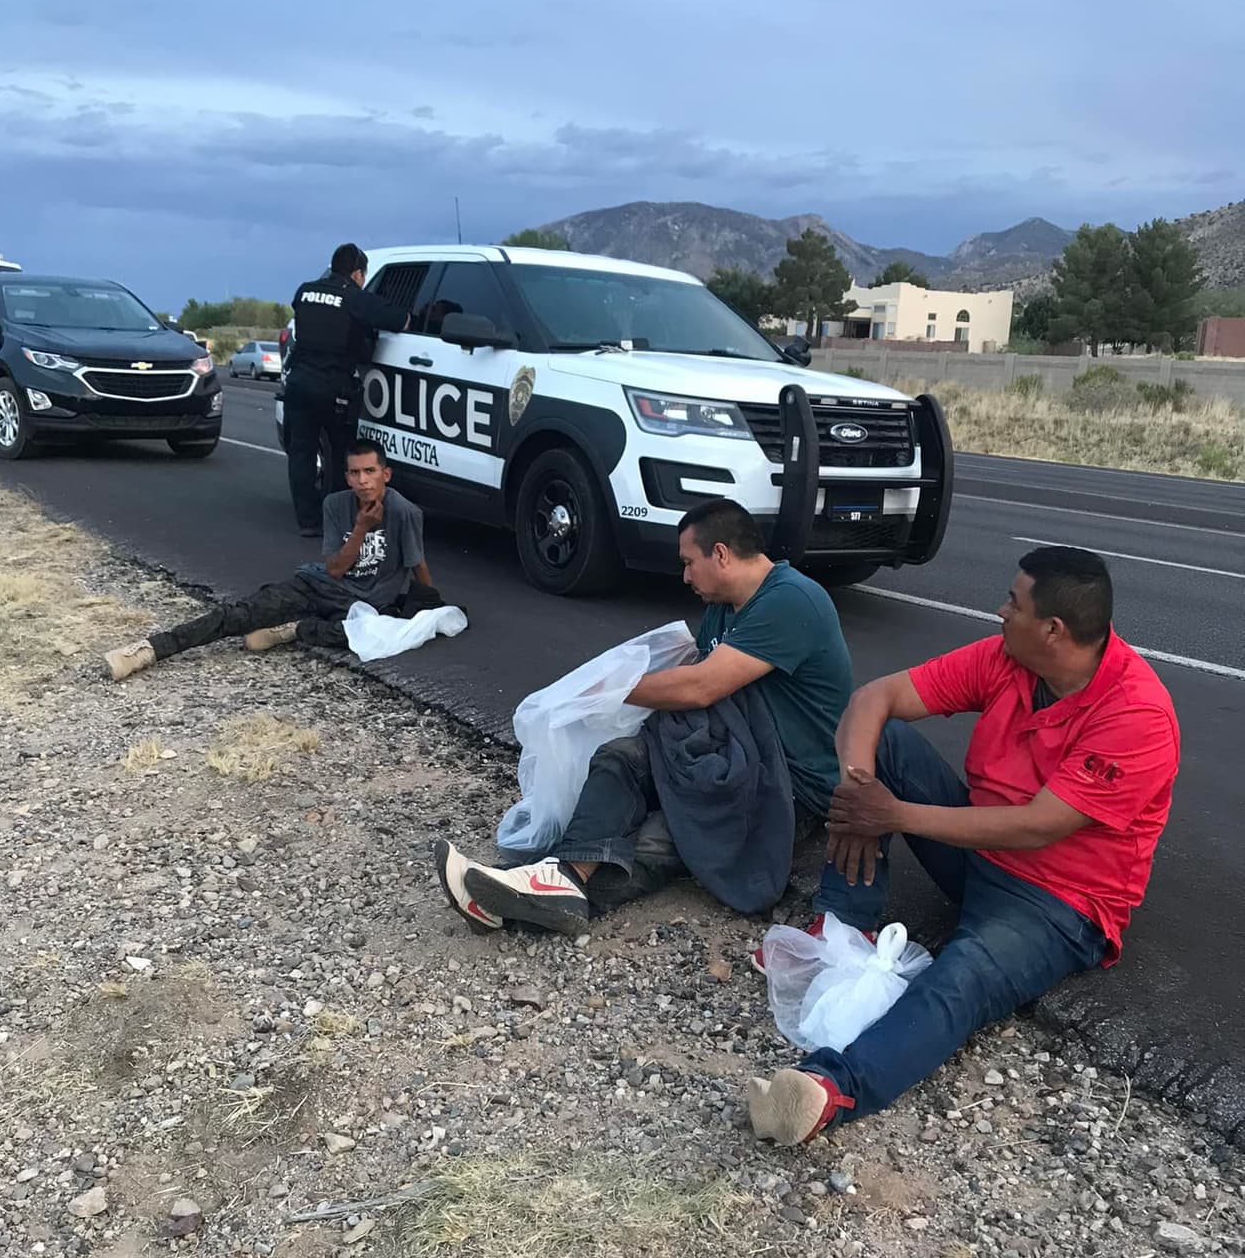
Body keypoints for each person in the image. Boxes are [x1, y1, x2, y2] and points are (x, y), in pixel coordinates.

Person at [746, 546, 1180, 1147]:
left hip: (1057, 904)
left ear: (1053, 630)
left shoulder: (1137, 714)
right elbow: (877, 698)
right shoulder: (1013, 660)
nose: (1000, 611)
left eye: (1014, 603)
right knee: (883, 747)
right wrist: (856, 796)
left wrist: (893, 814)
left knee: (962, 977)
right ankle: (842, 925)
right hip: (980, 854)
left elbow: (1039, 825)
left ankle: (827, 1090)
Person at [435, 498, 853, 936]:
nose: (685, 576)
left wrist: (607, 690)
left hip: (787, 779)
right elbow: (695, 674)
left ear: (722, 554)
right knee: (619, 756)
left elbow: (700, 686)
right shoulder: (723, 606)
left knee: (666, 831)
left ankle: (514, 904)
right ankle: (552, 878)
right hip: (728, 750)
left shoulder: (792, 600)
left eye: (689, 563)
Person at [103, 440, 441, 679]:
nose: (363, 481)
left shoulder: (405, 512)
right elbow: (336, 569)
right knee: (241, 614)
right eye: (355, 473)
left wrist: (432, 602)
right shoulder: (336, 505)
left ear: (386, 474)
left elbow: (417, 563)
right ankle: (149, 650)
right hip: (319, 585)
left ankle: (292, 630)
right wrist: (360, 528)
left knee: (369, 637)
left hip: (362, 605)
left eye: (370, 471)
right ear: (347, 476)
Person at [285, 243, 410, 536]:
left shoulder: (304, 291)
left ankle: (308, 521)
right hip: (333, 388)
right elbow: (399, 320)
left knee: (301, 454)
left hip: (299, 383)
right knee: (344, 456)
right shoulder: (355, 298)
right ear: (357, 273)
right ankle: (339, 519)